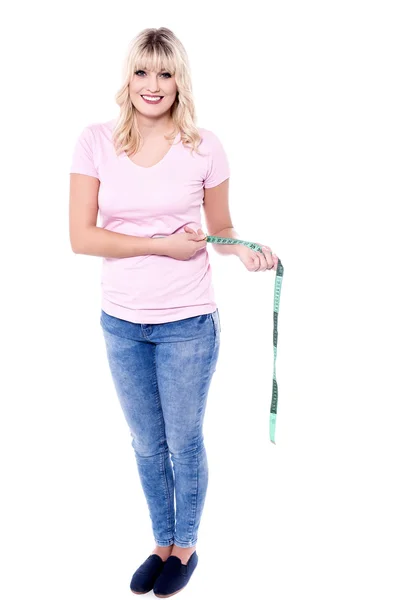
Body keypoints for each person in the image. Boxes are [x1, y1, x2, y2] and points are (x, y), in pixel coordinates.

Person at [69, 26, 278, 597]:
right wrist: (160, 244)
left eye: (165, 73)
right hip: (121, 321)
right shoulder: (95, 141)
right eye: (142, 72)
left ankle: (185, 544)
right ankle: (160, 541)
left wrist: (247, 252)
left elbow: (222, 229)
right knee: (144, 442)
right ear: (128, 78)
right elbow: (81, 238)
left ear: (180, 80)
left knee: (183, 441)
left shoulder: (205, 146)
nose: (153, 85)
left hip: (188, 322)